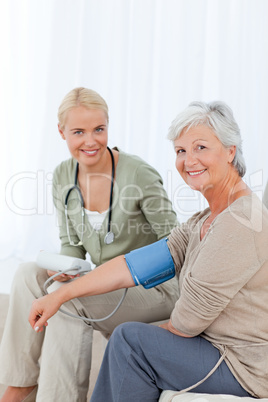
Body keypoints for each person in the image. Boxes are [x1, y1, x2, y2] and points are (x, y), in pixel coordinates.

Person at [28, 100, 268, 401]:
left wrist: (145, 334)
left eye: (201, 147)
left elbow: (188, 322)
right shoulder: (204, 220)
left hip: (240, 364)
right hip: (213, 348)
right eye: (181, 151)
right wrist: (61, 294)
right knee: (129, 339)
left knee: (130, 341)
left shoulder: (241, 220)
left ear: (230, 150)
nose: (188, 160)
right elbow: (135, 265)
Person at [0, 87, 180, 402]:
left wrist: (94, 281)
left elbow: (176, 244)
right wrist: (69, 269)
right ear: (62, 132)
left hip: (153, 287)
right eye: (79, 132)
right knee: (28, 273)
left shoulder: (138, 174)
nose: (91, 141)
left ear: (108, 126)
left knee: (66, 300)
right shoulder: (62, 176)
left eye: (99, 129)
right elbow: (71, 244)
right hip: (104, 282)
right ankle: (22, 383)